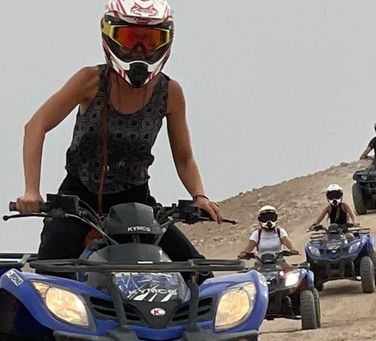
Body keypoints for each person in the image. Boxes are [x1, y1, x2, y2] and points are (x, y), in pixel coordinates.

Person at [15, 0, 221, 268]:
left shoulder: (170, 93)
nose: (140, 49)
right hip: (78, 200)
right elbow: (36, 126)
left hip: (137, 203)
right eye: (130, 38)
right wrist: (32, 191)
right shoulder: (89, 80)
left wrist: (200, 197)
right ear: (109, 35)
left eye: (150, 40)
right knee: (48, 276)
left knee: (195, 271)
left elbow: (184, 157)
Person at [238, 206, 298, 271]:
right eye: (265, 218)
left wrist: (292, 249)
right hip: (260, 262)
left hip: (279, 261)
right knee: (250, 276)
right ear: (260, 220)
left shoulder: (280, 232)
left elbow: (287, 242)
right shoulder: (257, 234)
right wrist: (243, 253)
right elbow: (249, 247)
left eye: (271, 218)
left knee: (293, 274)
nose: (269, 221)